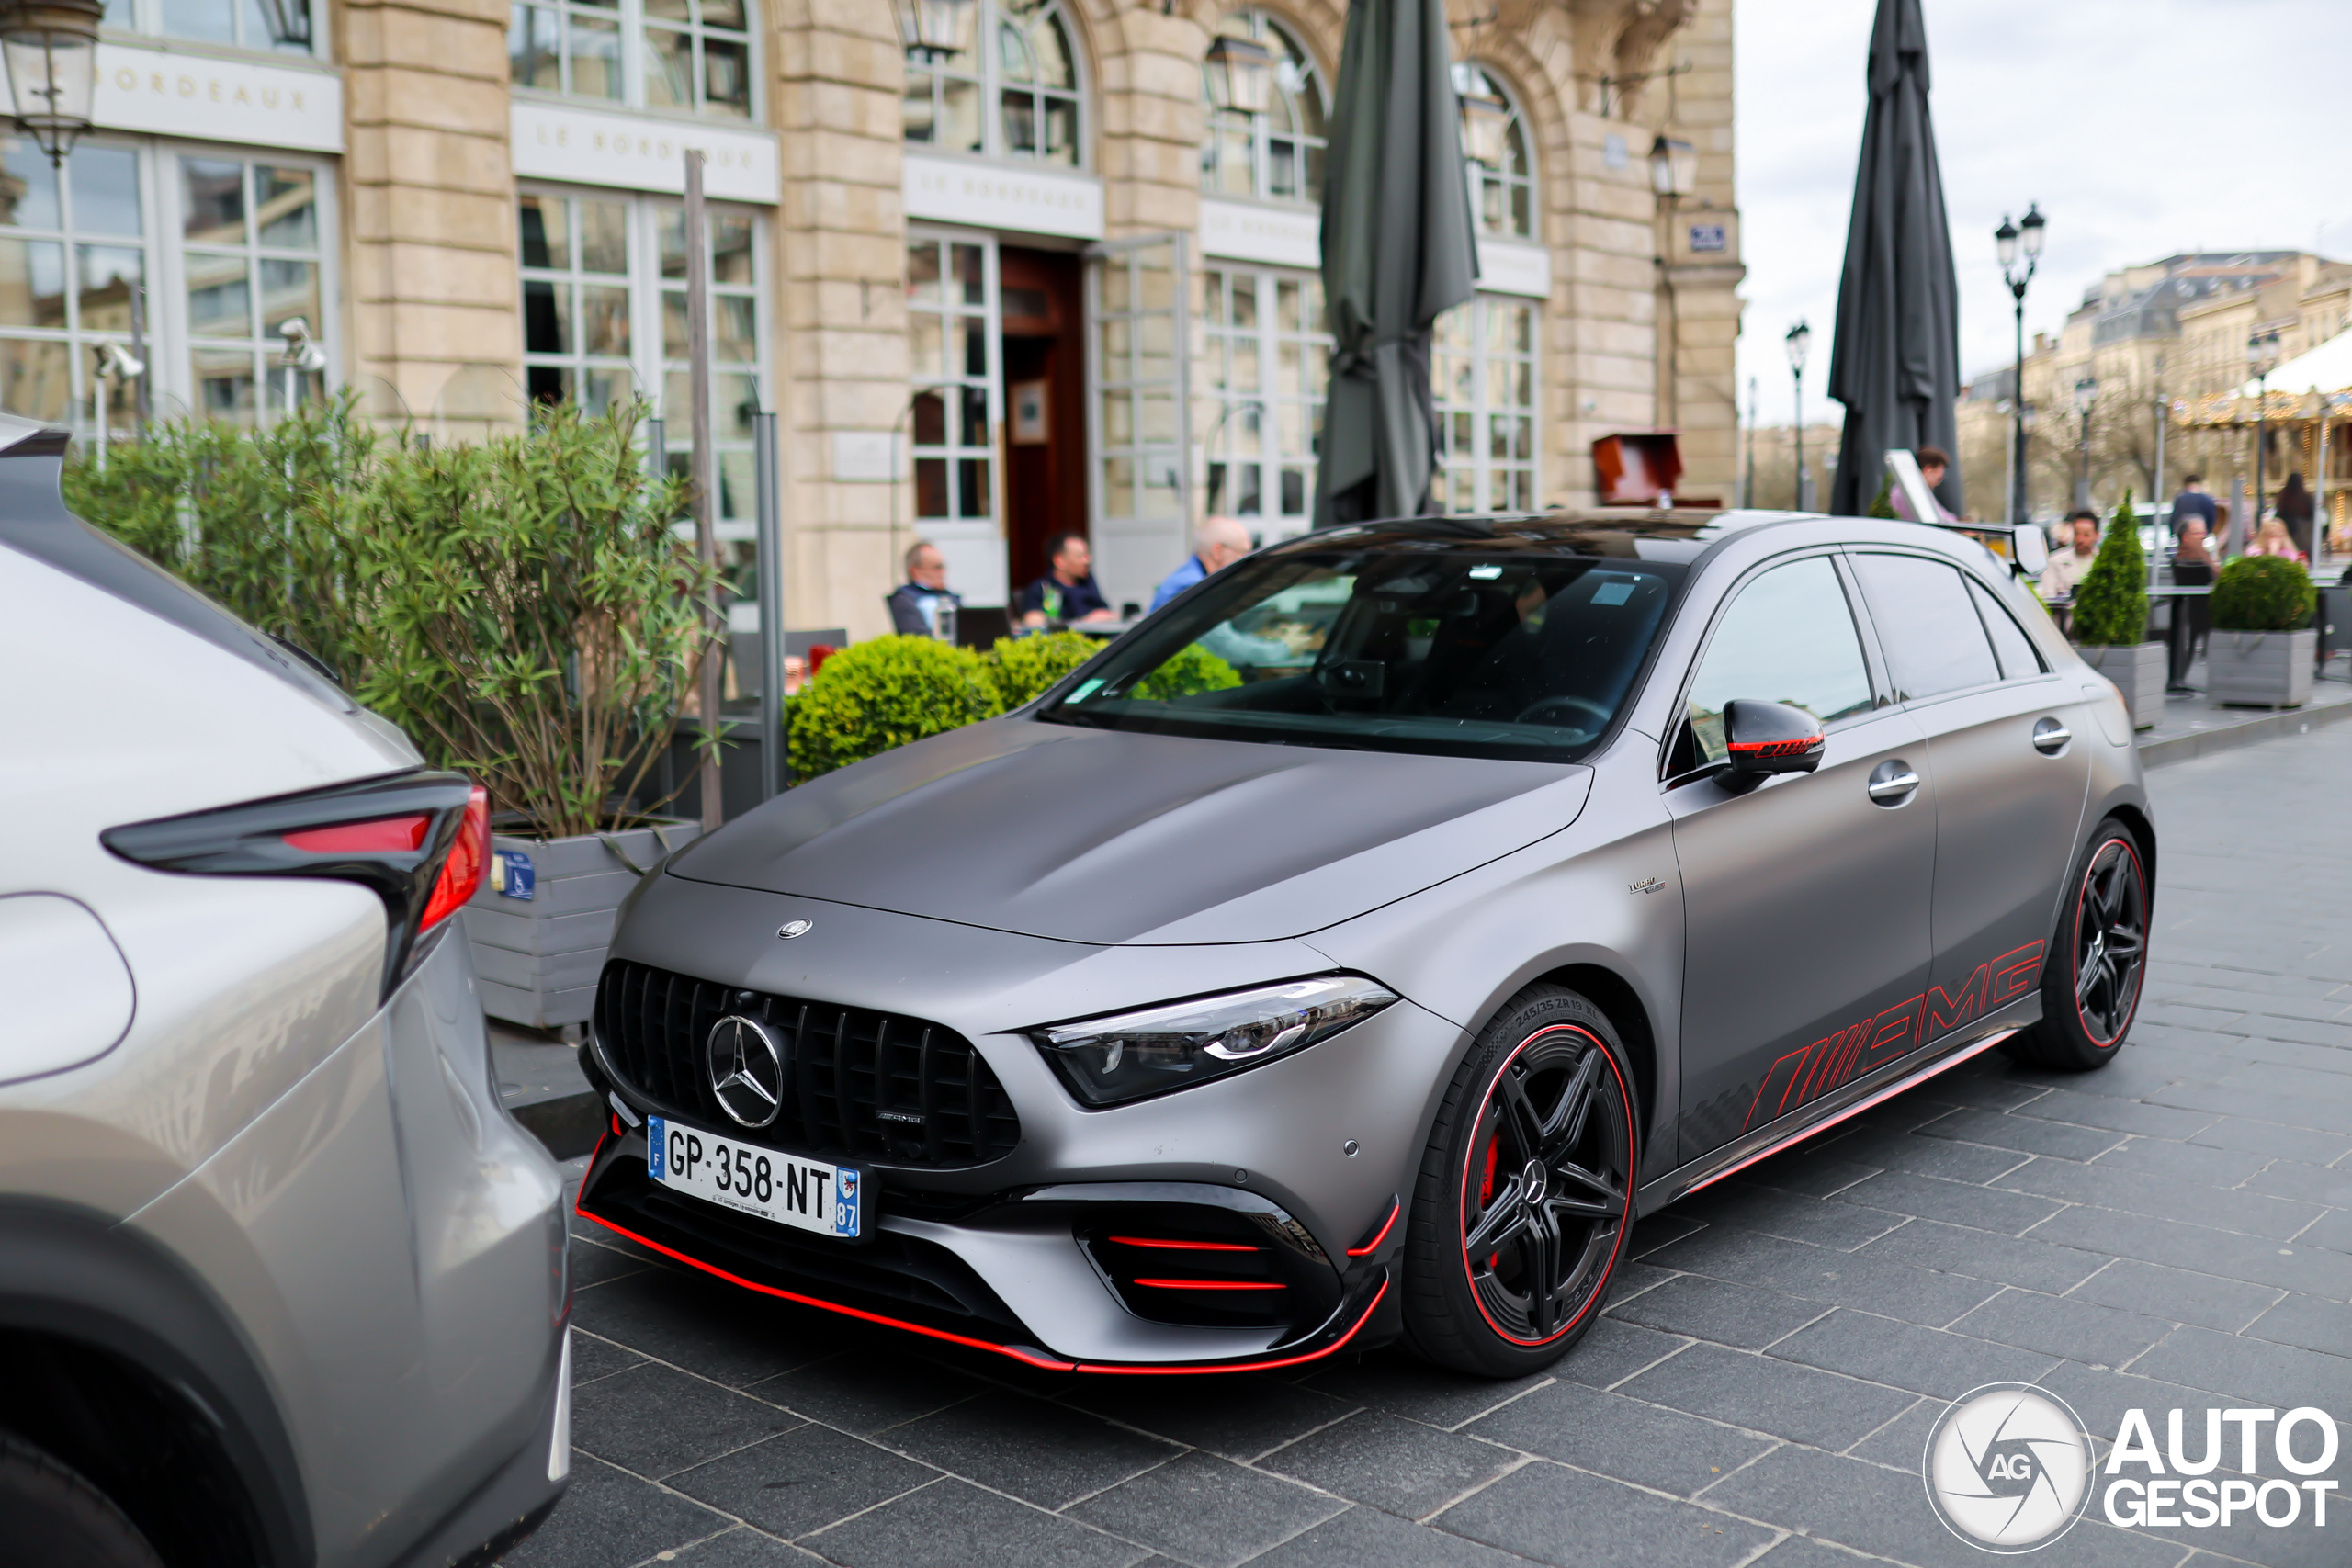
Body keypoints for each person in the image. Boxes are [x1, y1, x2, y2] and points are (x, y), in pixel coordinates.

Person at [1150, 516, 1254, 612]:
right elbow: (1216, 631)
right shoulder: (1192, 587)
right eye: (1242, 553)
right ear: (1218, 552)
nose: (1245, 561)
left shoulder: (1193, 576)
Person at [1019, 532, 1115, 627]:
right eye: (1080, 556)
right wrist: (1084, 622)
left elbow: (1105, 611)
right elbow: (1033, 623)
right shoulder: (1042, 588)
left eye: (1087, 555)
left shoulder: (1087, 582)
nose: (1087, 560)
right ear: (1059, 561)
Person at [886, 539, 962, 637]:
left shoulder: (949, 597)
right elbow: (915, 634)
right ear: (915, 571)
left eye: (943, 567)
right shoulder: (904, 598)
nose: (943, 573)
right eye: (937, 567)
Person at [2038, 510, 2102, 600]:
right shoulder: (2055, 561)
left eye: (2086, 535)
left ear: (2097, 535)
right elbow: (2048, 596)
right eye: (2077, 533)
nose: (2080, 539)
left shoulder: (2103, 562)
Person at [1890, 446, 1957, 522]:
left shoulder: (1913, 491)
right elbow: (1942, 520)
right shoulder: (1913, 493)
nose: (1938, 483)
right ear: (1929, 470)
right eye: (1939, 479)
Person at [2275, 471, 2315, 561]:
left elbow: (2278, 515)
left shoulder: (2284, 497)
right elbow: (2311, 516)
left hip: (2288, 533)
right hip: (2305, 535)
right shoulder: (2307, 498)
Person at [2168, 473, 2218, 544]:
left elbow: (2174, 518)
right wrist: (2208, 532)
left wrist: (2172, 534)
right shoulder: (2208, 499)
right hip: (2201, 536)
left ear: (2186, 484)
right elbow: (2212, 517)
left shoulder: (2180, 499)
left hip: (2184, 536)